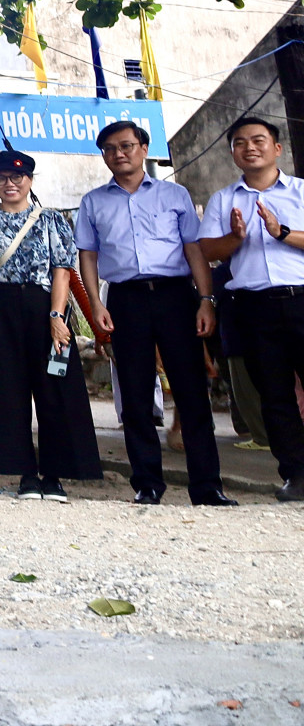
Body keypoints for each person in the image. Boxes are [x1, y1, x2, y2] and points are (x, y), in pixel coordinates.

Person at [76, 121, 236, 506]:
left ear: (144, 149)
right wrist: (96, 304)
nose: (119, 153)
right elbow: (88, 254)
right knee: (134, 394)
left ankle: (207, 487)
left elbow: (193, 250)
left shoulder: (175, 195)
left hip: (175, 298)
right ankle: (147, 484)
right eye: (110, 148)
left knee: (192, 391)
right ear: (104, 156)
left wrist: (205, 300)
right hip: (126, 301)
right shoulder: (94, 201)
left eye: (127, 145)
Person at [0, 149, 101, 502]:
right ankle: (24, 472)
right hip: (0, 307)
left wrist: (57, 317)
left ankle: (54, 474)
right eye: (1, 179)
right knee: (8, 389)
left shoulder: (51, 220)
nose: (10, 184)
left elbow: (61, 269)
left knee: (55, 387)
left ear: (29, 180)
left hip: (44, 305)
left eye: (17, 178)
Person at [199, 115, 304, 503]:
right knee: (273, 395)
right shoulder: (223, 200)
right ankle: (295, 473)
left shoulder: (300, 192)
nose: (250, 147)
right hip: (254, 307)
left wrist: (280, 232)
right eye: (240, 142)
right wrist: (235, 237)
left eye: (259, 140)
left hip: (302, 298)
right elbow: (208, 251)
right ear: (233, 153)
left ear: (277, 148)